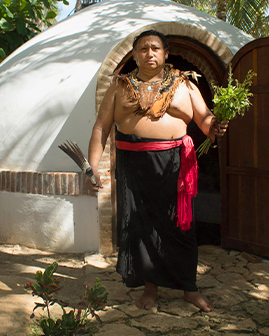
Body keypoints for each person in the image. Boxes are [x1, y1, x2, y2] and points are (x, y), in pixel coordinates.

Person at [87, 30, 228, 312]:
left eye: (154, 48)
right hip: (133, 165)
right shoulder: (119, 87)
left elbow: (203, 117)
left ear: (165, 53)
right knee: (140, 227)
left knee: (181, 227)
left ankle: (189, 288)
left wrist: (214, 126)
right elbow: (101, 127)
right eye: (142, 49)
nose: (149, 53)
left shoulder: (185, 85)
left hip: (174, 164)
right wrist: (93, 166)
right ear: (135, 55)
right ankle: (150, 287)